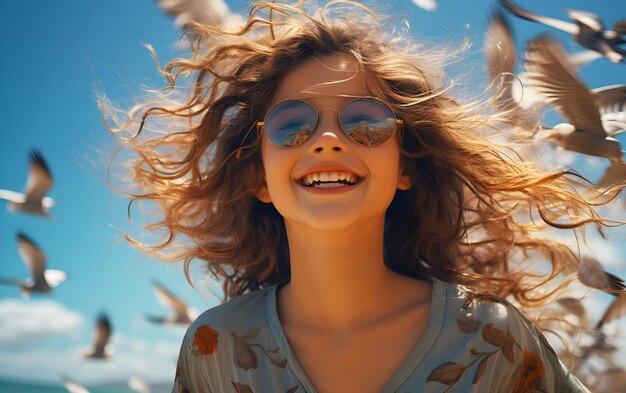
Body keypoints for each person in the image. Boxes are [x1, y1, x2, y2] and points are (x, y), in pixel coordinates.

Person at [105, 1, 624, 392]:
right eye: (291, 125)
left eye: (365, 123)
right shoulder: (214, 347)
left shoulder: (492, 339)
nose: (328, 139)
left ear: (405, 167)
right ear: (258, 177)